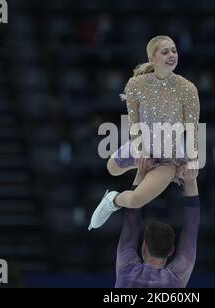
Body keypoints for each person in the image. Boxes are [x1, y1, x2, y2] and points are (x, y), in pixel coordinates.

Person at [88, 35, 200, 230]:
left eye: (174, 50)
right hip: (143, 143)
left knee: (137, 200)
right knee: (112, 168)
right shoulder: (136, 85)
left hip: (169, 157)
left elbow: (192, 128)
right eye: (165, 52)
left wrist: (192, 159)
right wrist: (140, 150)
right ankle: (139, 167)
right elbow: (134, 123)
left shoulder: (188, 89)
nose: (171, 55)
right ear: (152, 58)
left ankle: (112, 201)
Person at [115, 158, 200, 288]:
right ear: (171, 250)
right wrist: (191, 181)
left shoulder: (126, 269)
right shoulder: (176, 277)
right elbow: (191, 231)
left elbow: (131, 222)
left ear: (144, 246)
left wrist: (141, 173)